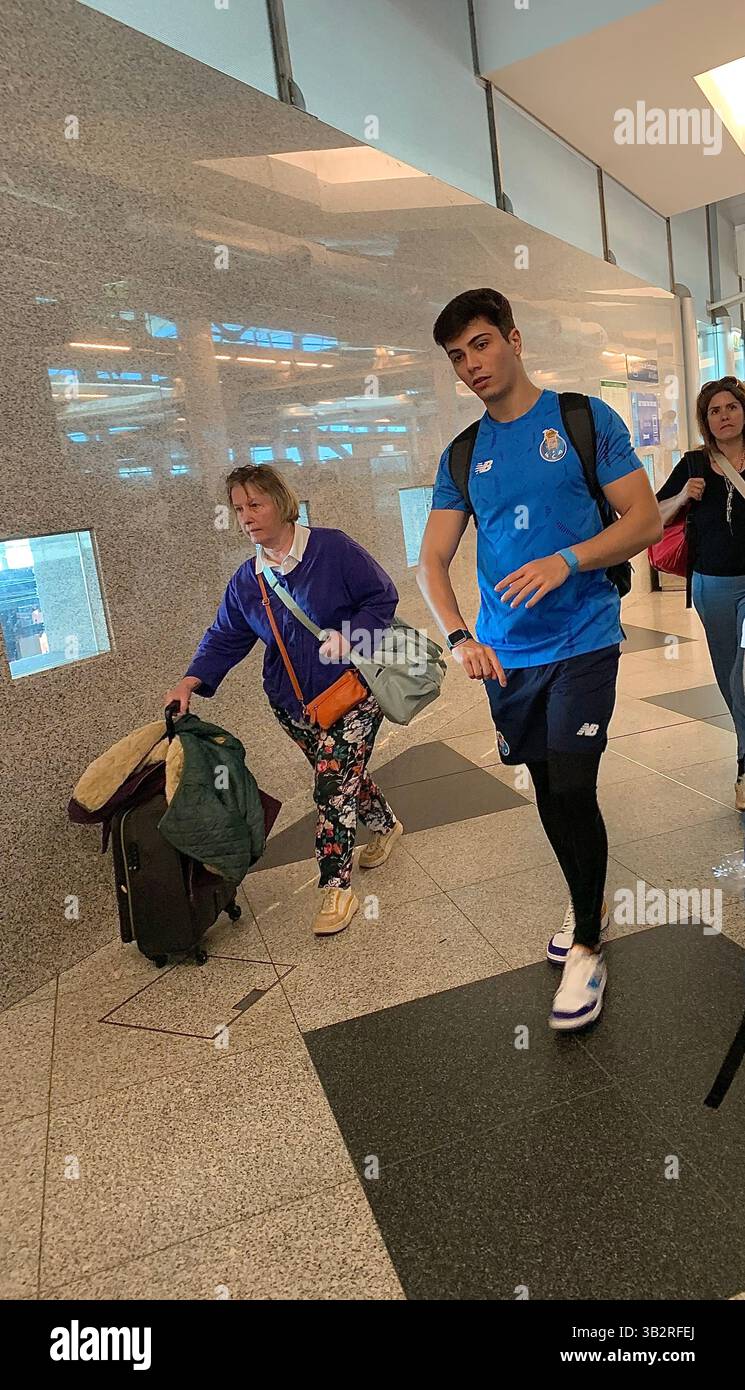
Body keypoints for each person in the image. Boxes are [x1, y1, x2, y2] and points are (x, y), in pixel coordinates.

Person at [417, 287, 662, 1030]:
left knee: (574, 778)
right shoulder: (463, 454)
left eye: (481, 344)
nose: (471, 365)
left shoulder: (582, 420)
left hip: (584, 637)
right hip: (509, 656)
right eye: (457, 357)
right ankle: (586, 899)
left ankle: (586, 943)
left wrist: (568, 561)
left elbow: (645, 519)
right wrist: (461, 636)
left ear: (514, 340)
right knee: (549, 786)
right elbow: (430, 560)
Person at [164, 465, 403, 937]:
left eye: (255, 504)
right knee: (337, 774)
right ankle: (386, 824)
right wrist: (190, 682)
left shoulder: (333, 549)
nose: (246, 517)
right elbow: (225, 637)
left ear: (281, 502)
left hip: (352, 692)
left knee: (331, 785)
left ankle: (336, 886)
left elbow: (382, 598)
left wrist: (349, 635)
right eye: (238, 509)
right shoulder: (247, 581)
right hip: (292, 705)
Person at [656, 376, 745, 809]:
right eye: (714, 411)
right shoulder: (692, 464)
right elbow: (651, 514)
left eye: (730, 407)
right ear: (705, 420)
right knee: (730, 676)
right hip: (713, 585)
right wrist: (681, 499)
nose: (724, 416)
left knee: (743, 676)